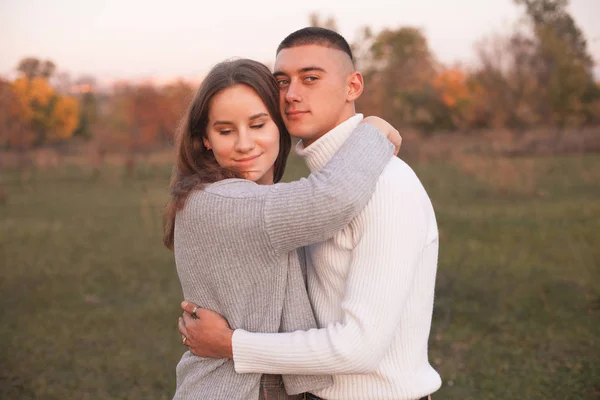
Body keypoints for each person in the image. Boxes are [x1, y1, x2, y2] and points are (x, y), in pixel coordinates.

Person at [179, 27, 442, 400]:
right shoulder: (303, 191)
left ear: (352, 87)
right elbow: (329, 197)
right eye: (282, 82)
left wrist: (233, 345)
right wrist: (374, 131)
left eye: (311, 79)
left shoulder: (385, 185)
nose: (292, 95)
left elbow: (360, 346)